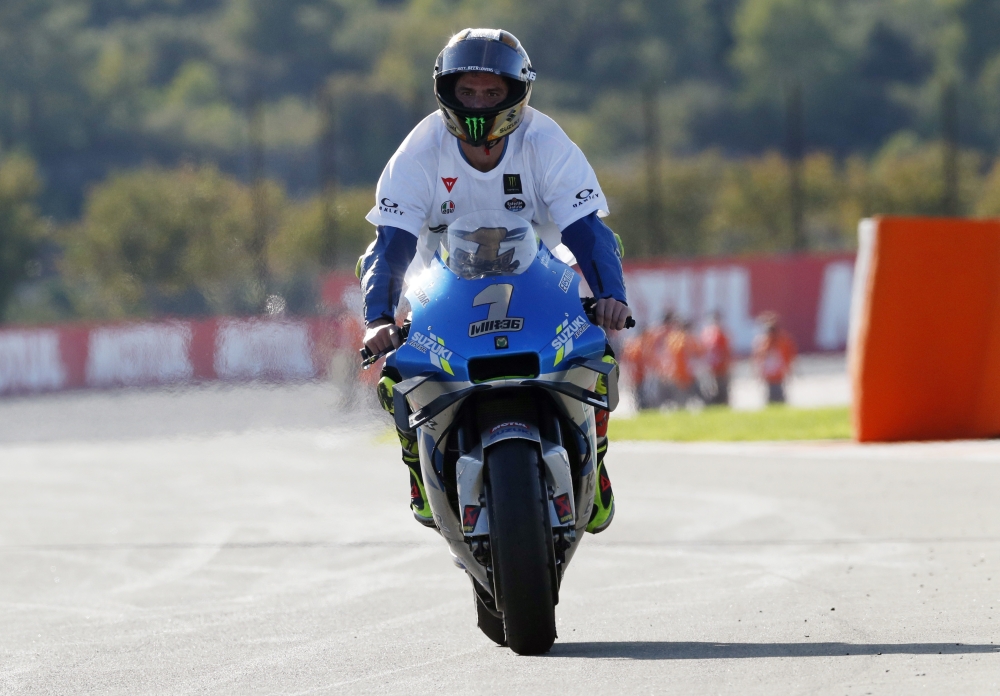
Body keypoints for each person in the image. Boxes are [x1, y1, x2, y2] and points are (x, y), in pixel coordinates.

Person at [356, 29, 631, 534]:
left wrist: (612, 298)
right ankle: (418, 471)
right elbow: (391, 244)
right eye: (467, 93)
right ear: (446, 92)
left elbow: (588, 231)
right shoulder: (418, 151)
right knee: (396, 371)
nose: (478, 105)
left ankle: (598, 457)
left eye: (491, 92)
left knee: (598, 352)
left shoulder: (546, 141)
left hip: (539, 273)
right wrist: (377, 319)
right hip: (437, 282)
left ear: (517, 93)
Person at [752, 312, 797, 404]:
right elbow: (758, 359)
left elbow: (789, 357)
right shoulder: (763, 342)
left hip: (778, 375)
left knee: (777, 393)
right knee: (771, 394)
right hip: (770, 375)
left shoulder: (781, 341)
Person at [700, 311, 732, 406]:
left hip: (721, 366)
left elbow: (726, 351)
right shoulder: (706, 334)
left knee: (722, 387)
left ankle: (722, 403)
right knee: (711, 389)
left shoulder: (722, 334)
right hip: (710, 366)